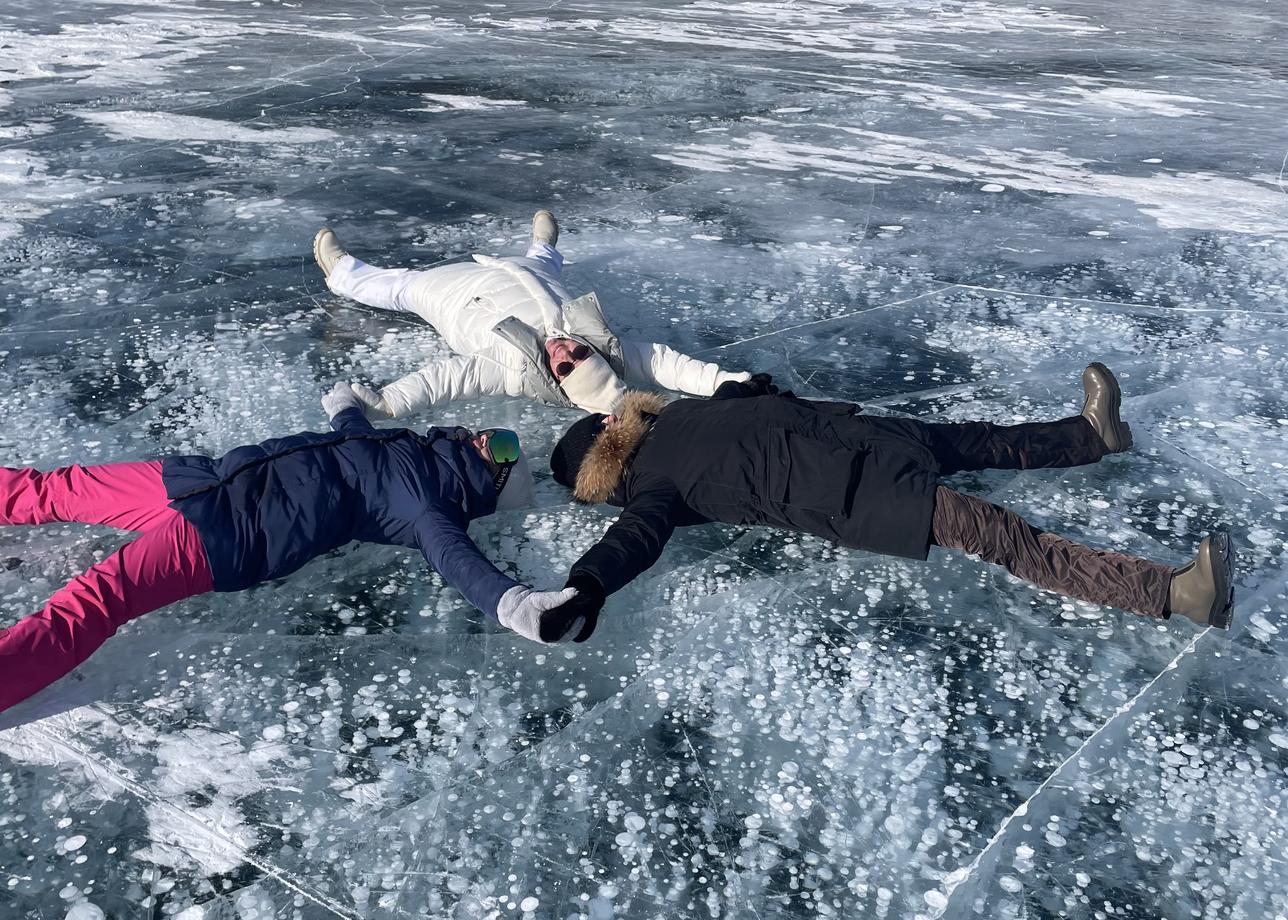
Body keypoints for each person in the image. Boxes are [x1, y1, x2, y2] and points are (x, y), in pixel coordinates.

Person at [535, 365, 1237, 643]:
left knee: (973, 438)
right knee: (1004, 536)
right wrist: (588, 585)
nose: (607, 419)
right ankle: (1177, 595)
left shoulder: (671, 419)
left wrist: (744, 390)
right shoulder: (653, 490)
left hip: (852, 435)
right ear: (599, 455)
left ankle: (1089, 435)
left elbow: (730, 416)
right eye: (595, 431)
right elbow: (635, 539)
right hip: (849, 492)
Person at [0, 384, 584, 714]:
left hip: (226, 536)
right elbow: (351, 438)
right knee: (56, 487)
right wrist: (346, 407)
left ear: (491, 485)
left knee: (96, 600)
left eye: (503, 451)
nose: (491, 437)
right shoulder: (411, 448)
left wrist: (515, 605)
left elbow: (457, 561)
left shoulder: (431, 509)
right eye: (504, 436)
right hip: (200, 478)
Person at [312, 210, 751, 418]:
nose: (565, 351)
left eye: (563, 366)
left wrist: (389, 403)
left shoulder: (508, 369)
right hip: (526, 274)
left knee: (400, 287)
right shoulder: (612, 350)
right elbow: (667, 363)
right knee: (542, 263)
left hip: (456, 294)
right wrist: (721, 382)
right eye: (581, 355)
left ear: (556, 378)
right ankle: (543, 245)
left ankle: (344, 272)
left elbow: (442, 381)